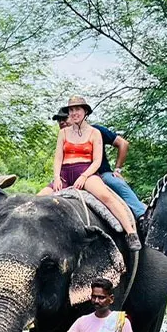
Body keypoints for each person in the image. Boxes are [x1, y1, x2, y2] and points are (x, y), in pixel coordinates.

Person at [40, 96, 142, 250]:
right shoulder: (64, 133)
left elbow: (96, 161)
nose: (74, 113)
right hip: (65, 173)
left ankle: (131, 232)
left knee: (106, 196)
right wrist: (56, 177)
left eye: (77, 109)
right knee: (38, 198)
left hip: (86, 171)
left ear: (85, 111)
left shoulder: (95, 132)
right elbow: (58, 158)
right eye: (71, 110)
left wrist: (84, 176)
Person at [52, 111, 146, 218]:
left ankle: (142, 216)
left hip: (100, 174)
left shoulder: (96, 131)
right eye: (59, 120)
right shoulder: (63, 136)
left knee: (116, 184)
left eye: (65, 118)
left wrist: (118, 169)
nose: (62, 122)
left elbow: (123, 143)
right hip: (69, 177)